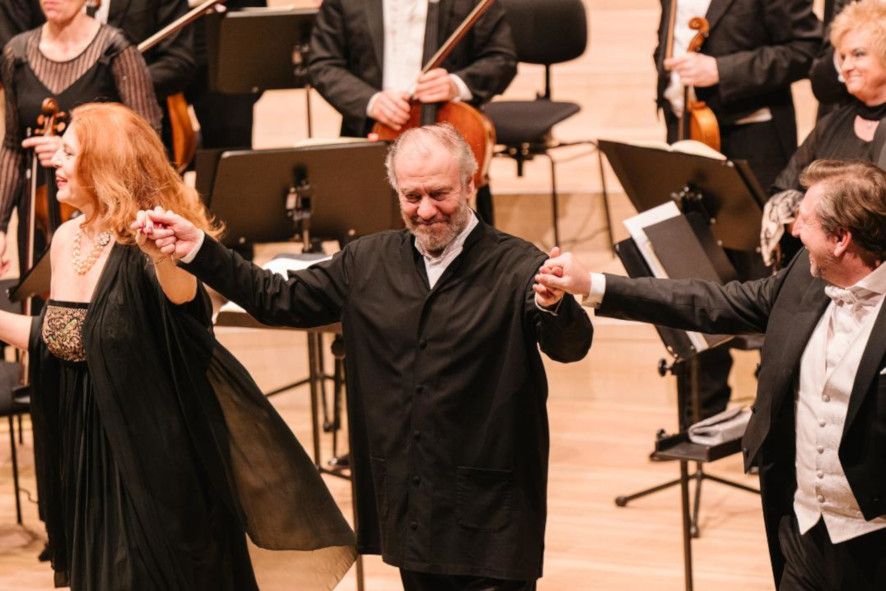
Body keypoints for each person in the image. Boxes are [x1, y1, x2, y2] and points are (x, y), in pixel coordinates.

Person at [138, 123, 593, 590]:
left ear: (469, 185)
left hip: (491, 513)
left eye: (439, 194)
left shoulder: (518, 265)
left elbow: (570, 347)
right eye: (411, 197)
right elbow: (275, 297)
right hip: (412, 506)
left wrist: (554, 306)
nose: (426, 210)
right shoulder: (367, 261)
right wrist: (199, 249)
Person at [6, 101, 355, 590]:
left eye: (68, 152)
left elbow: (184, 306)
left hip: (153, 458)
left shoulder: (153, 240)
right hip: (89, 454)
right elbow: (58, 339)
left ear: (102, 164)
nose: (55, 163)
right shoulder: (66, 238)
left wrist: (168, 258)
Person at [535, 159, 886, 590]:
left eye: (806, 222)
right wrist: (592, 283)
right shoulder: (802, 278)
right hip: (803, 528)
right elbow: (709, 302)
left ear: (840, 239)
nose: (794, 231)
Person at [653, 0, 821, 424]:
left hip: (756, 145)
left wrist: (722, 71)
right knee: (693, 273)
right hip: (687, 134)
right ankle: (701, 420)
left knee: (769, 285)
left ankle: (777, 424)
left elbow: (807, 49)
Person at [307, 0, 517, 225]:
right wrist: (370, 101)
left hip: (449, 125)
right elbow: (323, 64)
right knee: (366, 237)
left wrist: (455, 84)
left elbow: (501, 59)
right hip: (374, 129)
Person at [0, 0, 162, 275]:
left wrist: (75, 151)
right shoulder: (16, 53)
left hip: (103, 213)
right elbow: (13, 146)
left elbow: (147, 143)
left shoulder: (116, 50)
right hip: (37, 209)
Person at [762, 0, 886, 268]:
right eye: (843, 57)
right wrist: (799, 215)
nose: (847, 66)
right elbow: (784, 187)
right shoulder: (831, 124)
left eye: (859, 54)